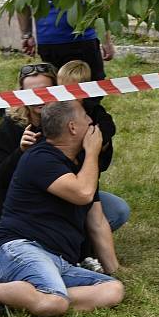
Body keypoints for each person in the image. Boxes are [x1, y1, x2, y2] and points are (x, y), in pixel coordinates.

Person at [0, 101, 124, 317]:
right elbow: (83, 194)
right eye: (86, 118)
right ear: (72, 127)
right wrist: (92, 153)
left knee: (113, 290)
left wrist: (114, 271)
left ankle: (13, 300)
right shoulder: (40, 157)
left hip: (59, 260)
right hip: (22, 250)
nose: (92, 122)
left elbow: (97, 221)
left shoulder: (80, 168)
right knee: (55, 302)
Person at [0, 63, 129, 232]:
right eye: (30, 93)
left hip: (69, 193)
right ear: (20, 95)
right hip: (28, 207)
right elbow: (0, 178)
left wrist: (93, 146)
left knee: (117, 210)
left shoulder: (78, 116)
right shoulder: (11, 126)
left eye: (45, 91)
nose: (39, 98)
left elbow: (102, 158)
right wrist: (21, 152)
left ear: (60, 89)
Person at [56, 60, 130, 231]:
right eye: (61, 90)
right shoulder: (53, 115)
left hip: (86, 183)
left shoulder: (96, 114)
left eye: (73, 91)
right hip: (59, 185)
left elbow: (108, 129)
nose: (66, 97)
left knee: (117, 211)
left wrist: (96, 145)